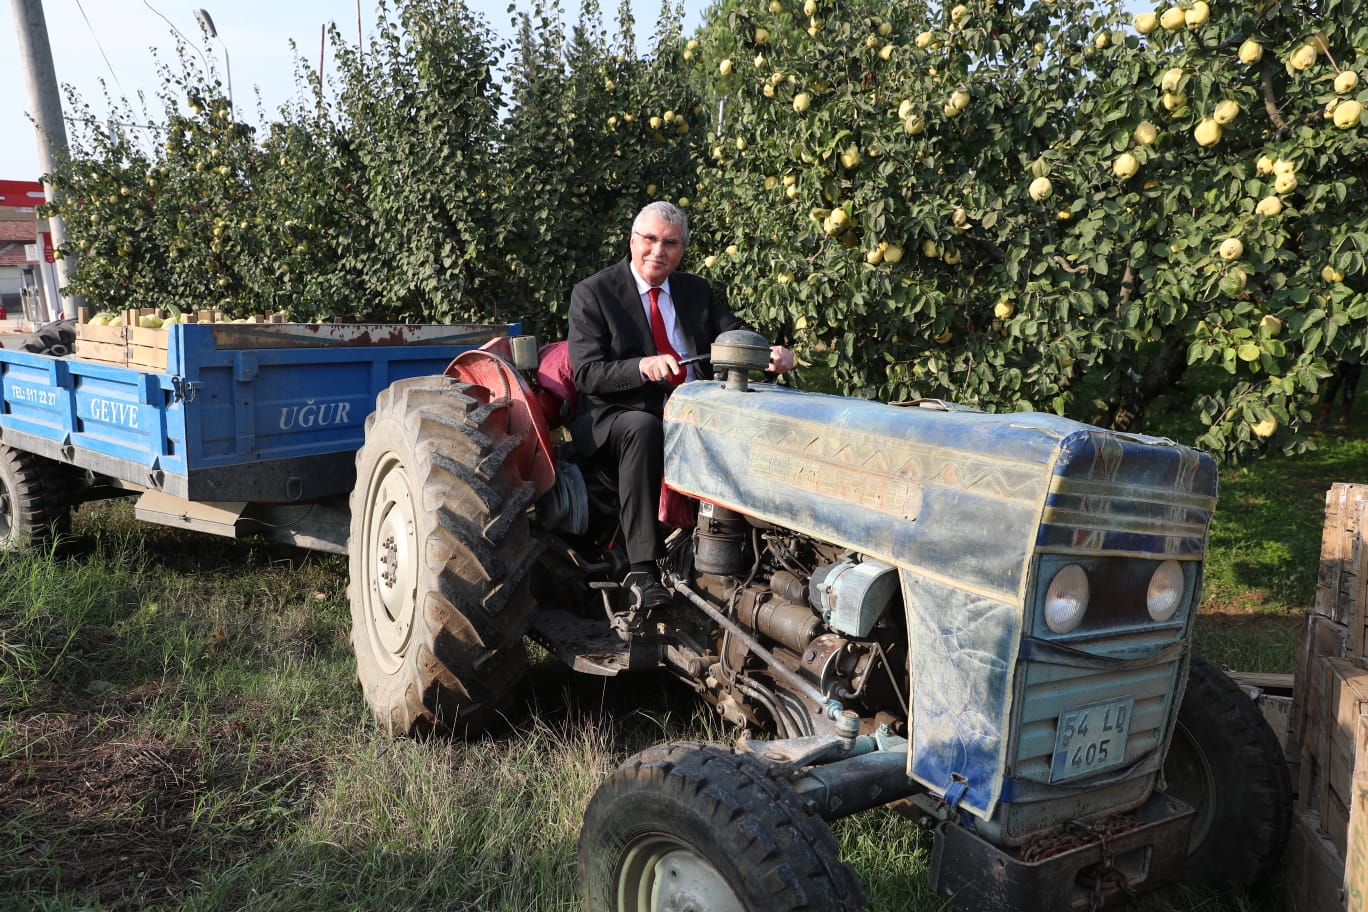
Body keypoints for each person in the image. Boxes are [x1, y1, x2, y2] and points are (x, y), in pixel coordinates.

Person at [567, 201, 795, 608]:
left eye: (670, 243)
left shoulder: (696, 291)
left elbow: (734, 334)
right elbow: (587, 374)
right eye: (650, 239)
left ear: (682, 249)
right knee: (644, 427)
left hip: (694, 408)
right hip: (618, 415)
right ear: (633, 240)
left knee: (763, 415)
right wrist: (642, 366)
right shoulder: (594, 293)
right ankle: (641, 569)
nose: (658, 251)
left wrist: (769, 352)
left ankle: (767, 550)